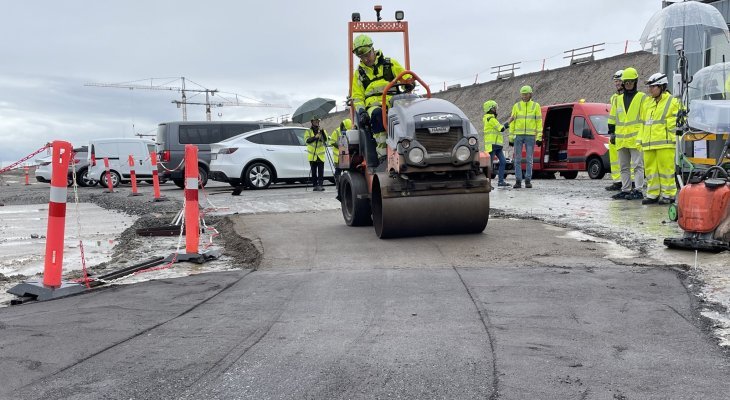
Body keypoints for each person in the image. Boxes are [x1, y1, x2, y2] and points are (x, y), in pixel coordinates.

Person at [351, 34, 408, 161]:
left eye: (367, 55)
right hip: (373, 107)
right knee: (378, 115)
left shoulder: (390, 64)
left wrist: (409, 83)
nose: (365, 59)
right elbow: (357, 96)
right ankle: (383, 155)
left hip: (394, 103)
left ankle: (408, 149)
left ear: (373, 49)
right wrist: (361, 111)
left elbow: (405, 78)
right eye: (361, 57)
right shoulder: (359, 73)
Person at [640, 73, 680, 205]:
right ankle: (652, 194)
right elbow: (643, 123)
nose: (650, 89)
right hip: (649, 144)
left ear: (662, 86)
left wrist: (668, 127)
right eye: (649, 87)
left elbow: (680, 120)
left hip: (665, 143)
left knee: (666, 170)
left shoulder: (673, 101)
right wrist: (640, 140)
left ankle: (668, 195)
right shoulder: (647, 102)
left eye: (653, 86)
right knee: (651, 171)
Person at [608, 67, 645, 200]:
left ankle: (639, 190)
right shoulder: (618, 99)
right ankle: (625, 189)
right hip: (621, 139)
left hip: (636, 139)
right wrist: (612, 132)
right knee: (623, 167)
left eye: (631, 82)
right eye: (626, 82)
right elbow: (613, 117)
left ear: (635, 82)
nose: (628, 84)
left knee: (637, 166)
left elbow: (645, 118)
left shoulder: (642, 98)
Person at [507, 85, 542, 188]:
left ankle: (527, 180)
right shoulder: (516, 106)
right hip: (518, 136)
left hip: (530, 136)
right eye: (523, 94)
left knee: (529, 159)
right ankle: (518, 181)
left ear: (530, 94)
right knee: (517, 159)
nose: (524, 96)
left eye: (526, 94)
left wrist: (539, 136)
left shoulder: (536, 106)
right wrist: (510, 137)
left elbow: (539, 122)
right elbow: (512, 122)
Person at [606, 70, 629, 191]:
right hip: (616, 133)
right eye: (615, 81)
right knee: (614, 159)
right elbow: (612, 116)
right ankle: (617, 181)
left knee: (628, 160)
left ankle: (631, 182)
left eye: (619, 81)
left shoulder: (630, 97)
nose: (617, 83)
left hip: (627, 133)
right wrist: (612, 132)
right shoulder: (614, 98)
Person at [482, 100, 510, 187]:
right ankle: (487, 184)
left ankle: (501, 181)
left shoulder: (492, 118)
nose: (495, 109)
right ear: (490, 108)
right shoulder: (490, 118)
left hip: (497, 146)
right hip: (492, 146)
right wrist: (509, 121)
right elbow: (501, 128)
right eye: (494, 107)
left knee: (503, 162)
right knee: (489, 166)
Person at [329, 118, 352, 200]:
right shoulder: (336, 131)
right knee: (338, 172)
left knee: (346, 172)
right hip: (338, 156)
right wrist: (339, 145)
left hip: (345, 156)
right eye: (346, 128)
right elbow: (331, 142)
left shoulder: (350, 131)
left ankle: (343, 188)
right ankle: (338, 187)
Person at [304, 116, 328, 191]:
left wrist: (322, 133)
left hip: (320, 155)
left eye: (318, 121)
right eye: (315, 121)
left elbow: (326, 140)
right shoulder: (308, 131)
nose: (317, 122)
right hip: (312, 155)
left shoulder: (322, 130)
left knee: (321, 171)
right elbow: (307, 140)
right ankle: (315, 185)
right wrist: (315, 137)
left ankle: (320, 185)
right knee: (313, 172)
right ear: (312, 122)